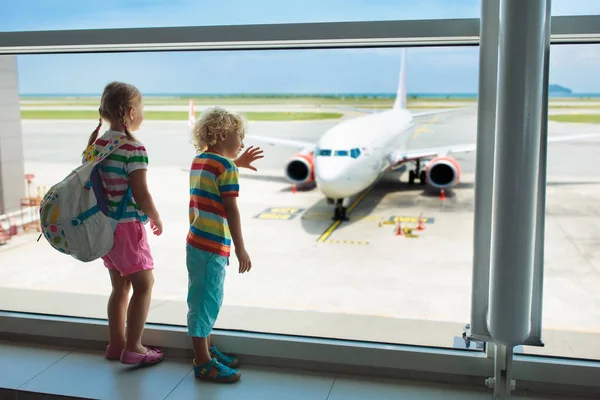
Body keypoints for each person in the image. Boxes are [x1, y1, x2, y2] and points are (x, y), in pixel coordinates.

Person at [84, 81, 164, 366]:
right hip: (128, 227)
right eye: (141, 108)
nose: (142, 113)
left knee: (120, 288)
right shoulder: (133, 148)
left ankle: (116, 344)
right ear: (131, 112)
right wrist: (155, 215)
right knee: (145, 284)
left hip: (105, 227)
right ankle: (134, 347)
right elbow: (141, 192)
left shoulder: (98, 145)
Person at [187, 106, 263, 383]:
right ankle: (203, 362)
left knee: (202, 297)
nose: (242, 142)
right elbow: (231, 210)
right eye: (238, 136)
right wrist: (241, 248)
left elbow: (213, 175)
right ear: (221, 135)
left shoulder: (200, 161)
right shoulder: (226, 167)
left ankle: (205, 350)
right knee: (206, 301)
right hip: (212, 245)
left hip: (195, 242)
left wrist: (235, 162)